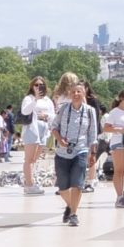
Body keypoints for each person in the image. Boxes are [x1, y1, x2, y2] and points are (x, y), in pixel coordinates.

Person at [52, 76, 95, 228]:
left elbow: (92, 134)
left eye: (79, 91)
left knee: (77, 184)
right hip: (63, 151)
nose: (76, 94)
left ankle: (74, 214)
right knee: (63, 188)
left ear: (84, 94)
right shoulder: (63, 109)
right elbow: (54, 127)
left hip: (80, 150)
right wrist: (60, 139)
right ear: (70, 94)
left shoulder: (90, 111)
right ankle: (70, 206)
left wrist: (92, 153)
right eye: (74, 92)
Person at [102, 90, 124, 203]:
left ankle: (121, 195)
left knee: (123, 171)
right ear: (122, 99)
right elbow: (106, 128)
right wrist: (119, 129)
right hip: (118, 142)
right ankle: (119, 196)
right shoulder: (114, 112)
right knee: (118, 170)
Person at [20, 76, 54, 192]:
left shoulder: (47, 100)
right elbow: (25, 111)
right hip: (32, 127)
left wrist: (46, 116)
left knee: (35, 157)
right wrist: (35, 100)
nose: (39, 87)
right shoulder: (29, 98)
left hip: (43, 127)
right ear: (32, 86)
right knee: (29, 158)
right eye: (36, 85)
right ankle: (29, 184)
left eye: (41, 85)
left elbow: (52, 114)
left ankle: (30, 180)